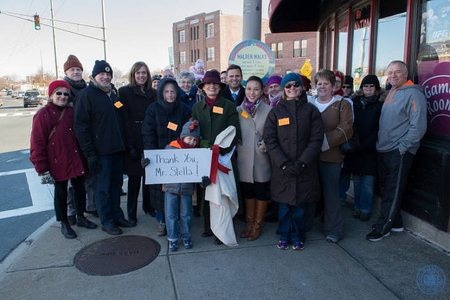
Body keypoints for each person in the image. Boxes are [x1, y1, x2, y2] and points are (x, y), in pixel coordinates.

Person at [366, 60, 427, 242]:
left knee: (392, 191)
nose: (393, 75)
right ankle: (397, 222)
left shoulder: (414, 95)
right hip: (384, 148)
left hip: (398, 151)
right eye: (390, 71)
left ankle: (383, 228)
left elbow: (419, 127)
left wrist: (403, 148)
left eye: (397, 72)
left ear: (405, 74)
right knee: (386, 190)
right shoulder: (392, 91)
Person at [30, 80, 97, 239]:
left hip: (75, 157)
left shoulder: (71, 112)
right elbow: (37, 143)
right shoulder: (42, 115)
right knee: (61, 193)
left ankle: (80, 216)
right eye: (58, 93)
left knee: (79, 189)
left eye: (65, 94)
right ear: (51, 95)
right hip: (56, 161)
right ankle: (64, 222)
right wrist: (42, 169)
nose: (62, 97)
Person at [74, 60, 135, 236]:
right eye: (102, 74)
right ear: (94, 76)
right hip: (100, 153)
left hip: (117, 150)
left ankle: (117, 215)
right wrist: (90, 154)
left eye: (108, 74)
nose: (106, 76)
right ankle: (107, 221)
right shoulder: (86, 96)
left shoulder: (113, 95)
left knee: (116, 186)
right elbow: (81, 128)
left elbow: (120, 122)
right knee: (103, 188)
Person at [264, 72, 324, 250]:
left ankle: (298, 235)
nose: (292, 88)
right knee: (283, 207)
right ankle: (283, 235)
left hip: (304, 169)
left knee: (299, 208)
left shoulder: (311, 111)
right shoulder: (276, 112)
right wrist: (283, 163)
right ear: (283, 89)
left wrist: (302, 163)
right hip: (282, 169)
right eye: (288, 86)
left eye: (295, 85)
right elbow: (270, 140)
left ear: (302, 88)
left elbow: (316, 140)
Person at [192, 69, 241, 245]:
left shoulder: (229, 106)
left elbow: (235, 131)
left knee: (224, 193)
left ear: (220, 87)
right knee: (206, 191)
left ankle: (223, 229)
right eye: (208, 84)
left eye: (215, 84)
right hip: (205, 156)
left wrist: (219, 150)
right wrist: (204, 144)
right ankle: (208, 227)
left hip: (224, 158)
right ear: (203, 87)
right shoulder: (197, 107)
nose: (211, 86)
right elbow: (194, 129)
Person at [141, 77, 191, 237]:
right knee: (161, 192)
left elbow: (188, 131)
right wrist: (150, 154)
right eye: (166, 91)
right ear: (161, 92)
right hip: (160, 157)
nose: (170, 95)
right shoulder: (152, 109)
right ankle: (162, 221)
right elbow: (148, 133)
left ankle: (176, 220)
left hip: (178, 158)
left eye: (173, 92)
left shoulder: (183, 109)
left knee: (177, 191)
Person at [310, 69, 353, 243]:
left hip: (331, 156)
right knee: (311, 192)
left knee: (331, 193)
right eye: (319, 83)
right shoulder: (308, 102)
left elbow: (346, 129)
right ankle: (310, 224)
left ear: (333, 86)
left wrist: (321, 144)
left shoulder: (342, 104)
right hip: (310, 157)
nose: (322, 87)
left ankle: (334, 229)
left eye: (326, 83)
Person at [119, 61, 157, 225]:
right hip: (133, 137)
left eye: (144, 73)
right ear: (133, 75)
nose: (141, 76)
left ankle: (149, 206)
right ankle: (131, 213)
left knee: (150, 176)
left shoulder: (154, 93)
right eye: (138, 73)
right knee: (134, 179)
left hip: (149, 136)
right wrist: (129, 144)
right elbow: (123, 119)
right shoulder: (124, 92)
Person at [342, 75, 383, 222]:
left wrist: (366, 144)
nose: (368, 89)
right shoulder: (354, 103)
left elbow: (379, 128)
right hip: (355, 148)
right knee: (357, 181)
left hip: (370, 149)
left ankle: (365, 209)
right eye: (366, 86)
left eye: (372, 86)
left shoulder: (379, 106)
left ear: (376, 89)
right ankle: (357, 207)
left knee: (368, 182)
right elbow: (349, 124)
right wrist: (354, 143)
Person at [236, 76, 272, 241]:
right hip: (243, 159)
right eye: (249, 88)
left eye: (256, 89)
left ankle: (258, 224)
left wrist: (266, 145)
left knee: (261, 192)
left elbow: (274, 135)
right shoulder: (238, 110)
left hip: (261, 159)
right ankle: (249, 223)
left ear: (262, 90)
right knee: (248, 192)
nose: (252, 92)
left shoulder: (269, 110)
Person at [161, 119, 202, 251]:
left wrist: (203, 180)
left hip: (187, 189)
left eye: (194, 140)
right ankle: (172, 238)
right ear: (183, 136)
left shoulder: (197, 154)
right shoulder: (171, 148)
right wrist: (147, 162)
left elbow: (199, 171)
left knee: (186, 214)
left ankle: (186, 236)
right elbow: (160, 164)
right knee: (170, 214)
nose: (191, 142)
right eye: (189, 138)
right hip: (170, 188)